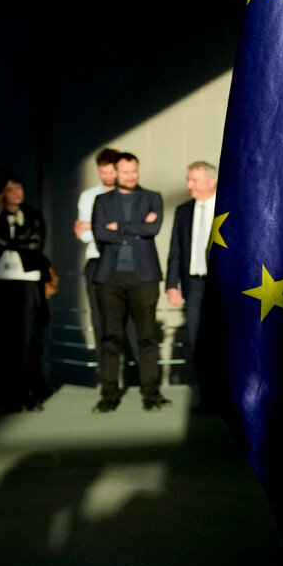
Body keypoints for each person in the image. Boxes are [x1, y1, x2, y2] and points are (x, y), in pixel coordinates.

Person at [90, 153, 167, 412]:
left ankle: (151, 394)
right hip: (110, 277)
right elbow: (100, 233)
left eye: (134, 171)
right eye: (125, 172)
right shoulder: (102, 201)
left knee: (147, 337)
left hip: (143, 277)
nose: (131, 176)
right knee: (110, 338)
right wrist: (136, 228)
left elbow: (153, 229)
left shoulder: (152, 197)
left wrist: (120, 226)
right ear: (115, 172)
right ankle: (109, 395)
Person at [0, 176, 52, 411]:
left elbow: (35, 244)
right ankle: (5, 395)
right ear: (1, 193)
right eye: (10, 189)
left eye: (19, 187)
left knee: (27, 339)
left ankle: (27, 392)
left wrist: (6, 242)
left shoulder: (32, 215)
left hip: (26, 280)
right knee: (1, 339)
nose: (17, 192)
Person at [163, 160, 217, 410]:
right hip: (194, 285)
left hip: (221, 286)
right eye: (188, 180)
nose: (189, 185)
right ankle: (207, 397)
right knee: (198, 340)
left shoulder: (228, 207)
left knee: (225, 339)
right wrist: (172, 285)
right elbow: (175, 251)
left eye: (194, 180)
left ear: (211, 181)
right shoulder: (184, 211)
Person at [74, 149, 122, 358]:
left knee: (127, 319)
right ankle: (105, 372)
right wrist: (111, 226)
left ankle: (133, 371)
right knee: (99, 319)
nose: (107, 177)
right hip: (97, 260)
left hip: (123, 261)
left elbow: (130, 230)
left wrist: (93, 225)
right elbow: (83, 235)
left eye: (111, 172)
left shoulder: (130, 196)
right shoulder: (88, 196)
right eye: (103, 172)